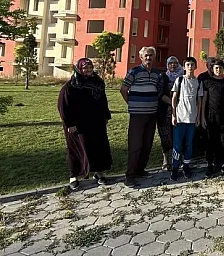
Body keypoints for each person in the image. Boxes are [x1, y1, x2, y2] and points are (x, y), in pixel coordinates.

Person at [57, 58, 113, 189]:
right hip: (77, 125)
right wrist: (70, 124)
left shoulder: (98, 83)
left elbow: (103, 100)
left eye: (90, 67)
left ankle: (99, 173)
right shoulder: (71, 86)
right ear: (79, 69)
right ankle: (74, 175)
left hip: (96, 122)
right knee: (77, 148)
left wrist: (105, 116)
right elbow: (63, 106)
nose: (88, 70)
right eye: (85, 68)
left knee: (98, 147)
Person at [121, 46, 172, 187]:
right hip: (138, 115)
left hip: (152, 114)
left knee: (147, 144)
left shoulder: (156, 74)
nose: (148, 58)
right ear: (141, 57)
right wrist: (132, 103)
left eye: (151, 55)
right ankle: (130, 175)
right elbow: (123, 89)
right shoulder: (134, 72)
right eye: (146, 55)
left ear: (154, 57)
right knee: (135, 145)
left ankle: (140, 170)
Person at [170, 57, 203, 181]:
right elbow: (174, 98)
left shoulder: (198, 82)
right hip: (180, 118)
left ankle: (186, 166)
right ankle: (175, 167)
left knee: (189, 144)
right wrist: (173, 115)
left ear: (195, 67)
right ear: (184, 67)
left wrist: (198, 116)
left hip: (192, 118)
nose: (190, 67)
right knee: (177, 144)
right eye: (188, 65)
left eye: (192, 65)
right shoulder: (179, 80)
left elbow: (199, 100)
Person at [201, 60, 224, 177]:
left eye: (220, 68)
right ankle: (210, 165)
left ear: (223, 69)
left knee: (223, 141)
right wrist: (202, 117)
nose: (218, 70)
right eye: (216, 68)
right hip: (210, 116)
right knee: (211, 140)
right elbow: (204, 100)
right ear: (213, 69)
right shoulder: (207, 82)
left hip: (223, 116)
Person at [161, 56, 183, 170]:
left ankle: (178, 159)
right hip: (165, 111)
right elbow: (160, 93)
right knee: (165, 135)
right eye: (170, 63)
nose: (173, 65)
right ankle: (166, 160)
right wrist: (173, 103)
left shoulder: (183, 77)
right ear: (167, 65)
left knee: (178, 135)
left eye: (175, 63)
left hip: (181, 110)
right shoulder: (163, 77)